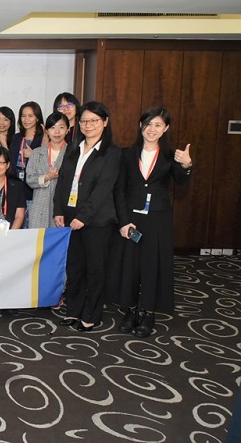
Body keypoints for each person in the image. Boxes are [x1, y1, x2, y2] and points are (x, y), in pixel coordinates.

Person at [113, 106, 192, 338]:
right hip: (131, 217)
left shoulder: (171, 155)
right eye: (148, 124)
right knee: (130, 265)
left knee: (152, 265)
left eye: (158, 125)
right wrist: (123, 221)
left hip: (158, 219)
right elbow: (119, 190)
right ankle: (130, 310)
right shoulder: (126, 154)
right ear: (141, 126)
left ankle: (148, 313)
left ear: (165, 128)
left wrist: (186, 165)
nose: (152, 129)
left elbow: (181, 181)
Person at [53, 101, 121, 332]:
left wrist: (84, 216)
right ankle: (73, 311)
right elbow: (63, 182)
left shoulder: (111, 154)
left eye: (94, 120)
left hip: (96, 221)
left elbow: (104, 188)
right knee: (75, 268)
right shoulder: (73, 148)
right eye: (84, 121)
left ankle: (91, 315)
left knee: (95, 269)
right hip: (70, 219)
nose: (88, 125)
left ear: (105, 122)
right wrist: (59, 211)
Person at [25, 111, 69, 229]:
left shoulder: (73, 153)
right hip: (39, 208)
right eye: (52, 127)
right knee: (38, 245)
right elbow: (29, 179)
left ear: (67, 130)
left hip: (62, 209)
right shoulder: (36, 152)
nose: (57, 132)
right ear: (47, 131)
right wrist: (47, 177)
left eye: (61, 127)